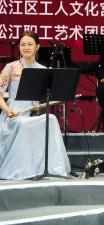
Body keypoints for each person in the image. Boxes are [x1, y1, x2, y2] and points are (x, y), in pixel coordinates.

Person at [0, 31, 71, 180]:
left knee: (51, 119)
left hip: (32, 114)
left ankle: (53, 167)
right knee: (23, 124)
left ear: (37, 47)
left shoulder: (43, 70)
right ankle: (21, 170)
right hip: (14, 115)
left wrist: (41, 107)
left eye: (30, 44)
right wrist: (8, 111)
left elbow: (44, 99)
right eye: (23, 44)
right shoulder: (11, 67)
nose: (26, 47)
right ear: (19, 47)